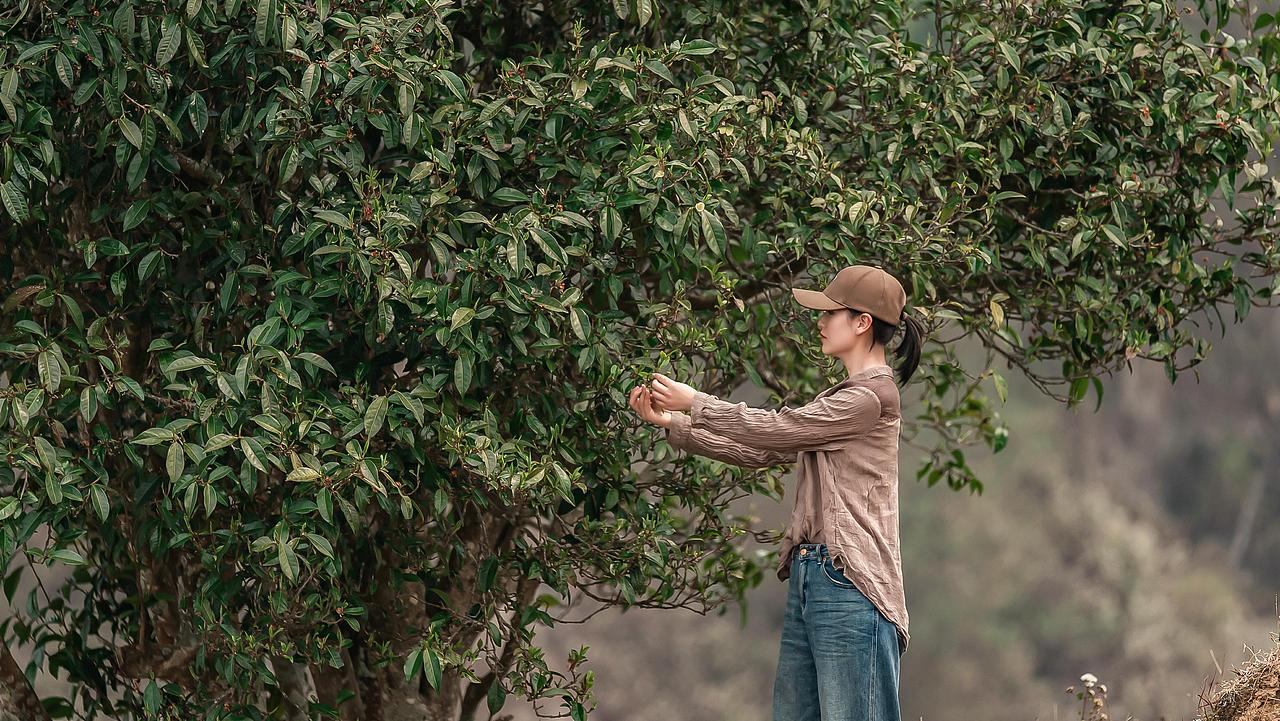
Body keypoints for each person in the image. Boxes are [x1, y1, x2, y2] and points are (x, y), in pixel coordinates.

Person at [628, 264, 925, 721]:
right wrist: (675, 424)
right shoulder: (840, 398)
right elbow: (763, 451)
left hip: (851, 583)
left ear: (862, 322)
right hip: (816, 576)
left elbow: (779, 428)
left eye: (830, 313)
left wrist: (698, 403)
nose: (820, 322)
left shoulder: (868, 399)